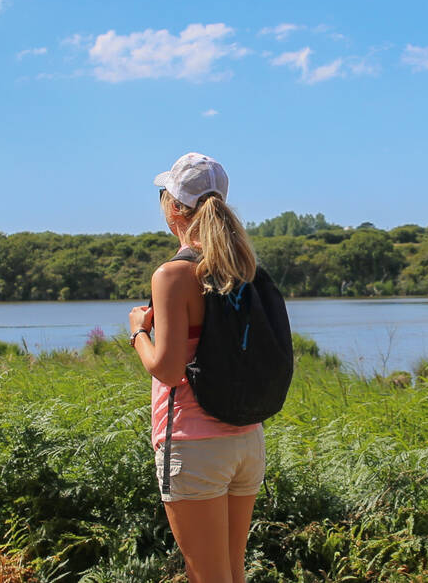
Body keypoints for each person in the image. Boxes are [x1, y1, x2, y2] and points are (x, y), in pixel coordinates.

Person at [128, 152, 266, 583]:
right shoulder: (245, 268)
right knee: (232, 572)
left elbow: (168, 371)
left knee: (206, 575)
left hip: (193, 443)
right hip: (247, 439)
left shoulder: (172, 274)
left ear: (173, 209)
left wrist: (137, 333)